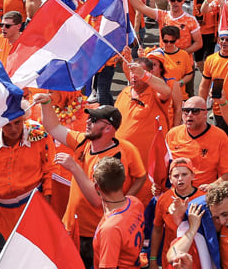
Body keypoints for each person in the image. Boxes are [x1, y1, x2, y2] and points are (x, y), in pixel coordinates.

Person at [34, 96, 147, 267]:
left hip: (94, 231)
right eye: (89, 117)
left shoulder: (124, 152)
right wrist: (46, 103)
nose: (88, 122)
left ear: (108, 128)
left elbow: (97, 199)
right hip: (72, 226)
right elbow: (53, 127)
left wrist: (122, 204)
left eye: (94, 120)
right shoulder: (83, 141)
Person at [0, 115, 52, 235]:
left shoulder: (40, 135)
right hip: (0, 213)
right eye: (7, 124)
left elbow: (50, 170)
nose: (13, 129)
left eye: (17, 123)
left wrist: (47, 200)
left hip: (34, 206)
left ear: (23, 119)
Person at [164, 96, 228, 187]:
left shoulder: (219, 136)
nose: (190, 115)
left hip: (204, 194)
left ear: (205, 113)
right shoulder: (172, 134)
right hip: (177, 192)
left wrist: (212, 186)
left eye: (195, 111)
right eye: (186, 111)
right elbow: (163, 168)